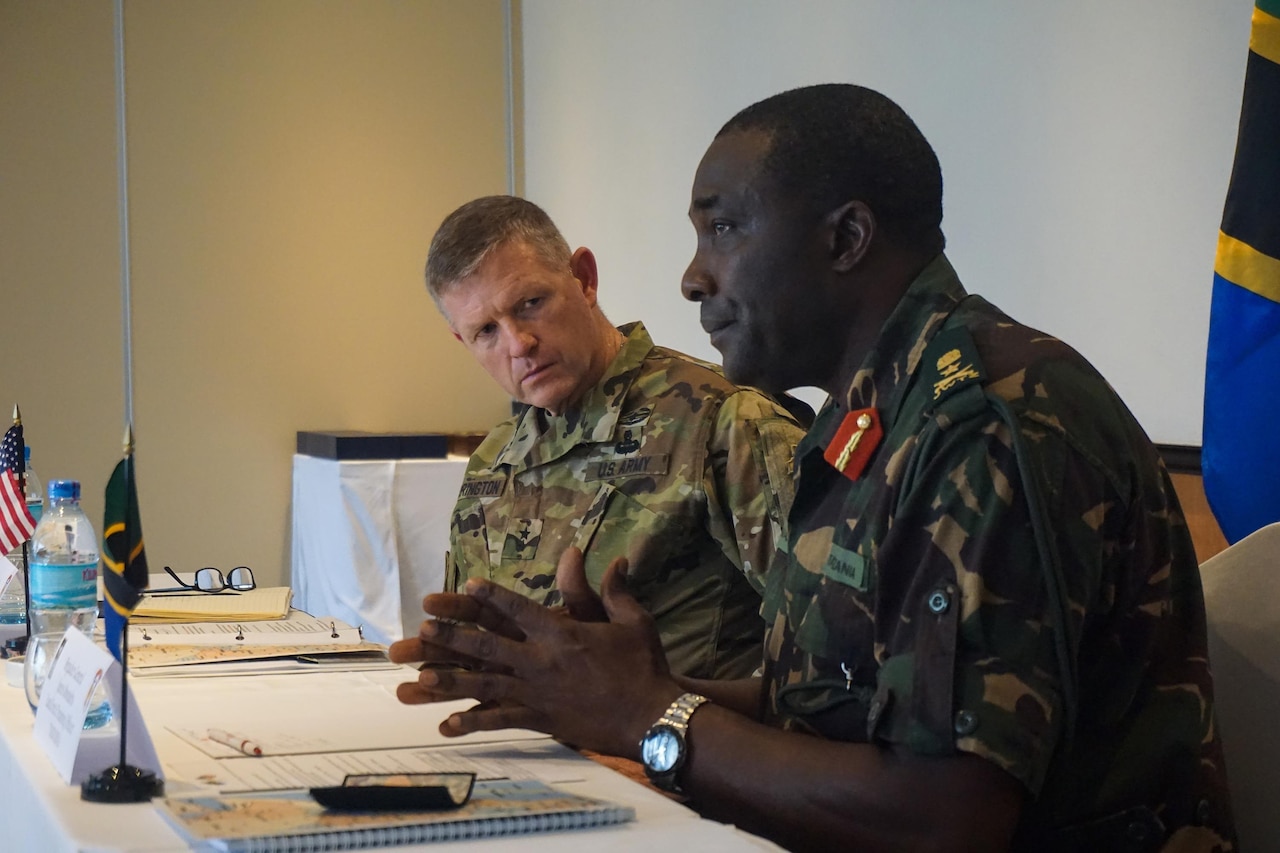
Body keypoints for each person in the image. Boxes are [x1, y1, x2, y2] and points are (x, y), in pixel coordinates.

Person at [392, 87, 1235, 851]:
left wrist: (652, 715)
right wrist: (625, 685)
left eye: (722, 227)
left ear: (846, 239)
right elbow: (836, 705)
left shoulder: (981, 427)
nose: (693, 276)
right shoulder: (867, 419)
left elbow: (944, 816)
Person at [423, 196, 808, 680]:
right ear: (464, 342)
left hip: (677, 746)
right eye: (485, 331)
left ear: (584, 278)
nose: (518, 344)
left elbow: (827, 651)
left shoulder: (723, 422)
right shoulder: (492, 461)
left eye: (531, 304)